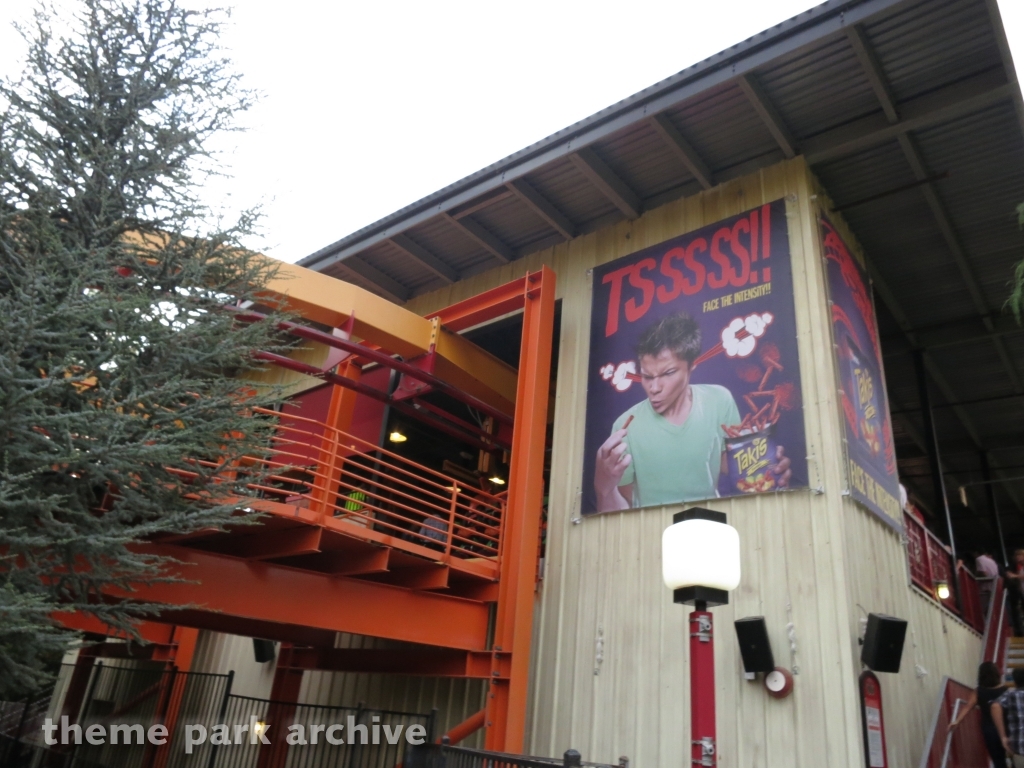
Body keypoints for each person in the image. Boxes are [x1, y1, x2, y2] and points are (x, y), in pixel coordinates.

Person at [593, 312, 790, 511]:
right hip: (652, 533)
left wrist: (768, 464)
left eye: (668, 373)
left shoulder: (719, 400)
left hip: (710, 525)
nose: (654, 388)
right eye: (646, 376)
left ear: (691, 366)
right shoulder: (625, 426)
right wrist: (604, 488)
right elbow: (622, 512)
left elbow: (734, 467)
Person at [949, 661, 1008, 765]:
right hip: (1006, 726)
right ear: (996, 673)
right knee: (1009, 754)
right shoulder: (1005, 690)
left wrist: (957, 721)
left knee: (997, 759)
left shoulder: (979, 691)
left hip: (989, 729)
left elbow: (968, 707)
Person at [994, 666, 1024, 765]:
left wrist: (1003, 736)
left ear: (1015, 681)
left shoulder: (1010, 695)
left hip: (1019, 748)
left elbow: (995, 706)